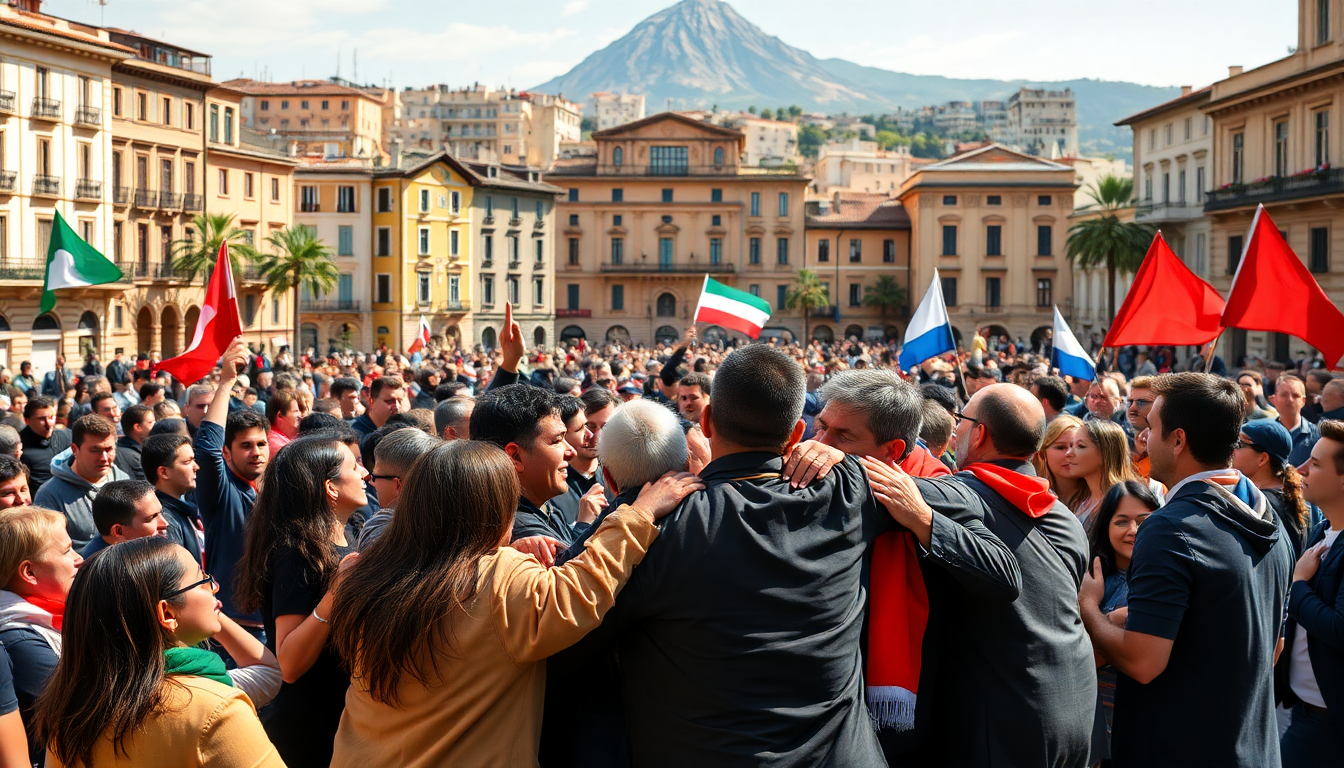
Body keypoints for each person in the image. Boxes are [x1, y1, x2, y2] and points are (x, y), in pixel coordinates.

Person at [556, 345, 946, 767]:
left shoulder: (651, 521)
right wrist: (846, 463)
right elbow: (970, 497)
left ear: (704, 422)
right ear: (798, 433)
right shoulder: (847, 491)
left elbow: (563, 636)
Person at [329, 441, 700, 768]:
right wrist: (638, 514)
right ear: (493, 512)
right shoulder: (499, 579)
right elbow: (581, 592)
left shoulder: (367, 574)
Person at [1079, 372, 1294, 768]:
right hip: (1253, 750)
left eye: (1152, 427)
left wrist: (1091, 611)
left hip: (1176, 750)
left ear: (1178, 440)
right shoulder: (1273, 519)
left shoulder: (1169, 527)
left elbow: (1143, 662)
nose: (1143, 438)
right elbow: (1273, 648)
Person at [34, 537, 284, 768]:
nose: (214, 587)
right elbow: (267, 670)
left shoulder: (68, 712)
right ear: (166, 613)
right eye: (202, 580)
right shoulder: (218, 709)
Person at [234, 433, 368, 768]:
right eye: (354, 466)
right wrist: (335, 594)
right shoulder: (296, 551)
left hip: (347, 716)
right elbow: (290, 664)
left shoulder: (349, 532)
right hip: (312, 729)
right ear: (330, 487)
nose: (365, 473)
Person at [1278, 419, 1344, 766]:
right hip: (1304, 709)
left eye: (1315, 464)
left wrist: (1299, 585)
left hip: (1328, 718)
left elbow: (1338, 629)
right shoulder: (1322, 530)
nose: (1300, 468)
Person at [194, 340, 270, 635]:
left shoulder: (276, 490)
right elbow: (207, 450)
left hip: (275, 623)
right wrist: (225, 382)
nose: (256, 452)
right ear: (228, 453)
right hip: (234, 627)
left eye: (261, 444)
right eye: (246, 446)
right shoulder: (222, 493)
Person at [1085, 480, 1161, 765]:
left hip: (1139, 730)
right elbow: (1073, 657)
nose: (1133, 531)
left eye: (1144, 521)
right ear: (1106, 526)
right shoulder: (1091, 577)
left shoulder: (1161, 583)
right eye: (1121, 522)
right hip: (1089, 727)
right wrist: (1112, 620)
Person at [0, 505, 81, 766]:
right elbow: (86, 714)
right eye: (67, 551)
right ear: (30, 573)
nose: (79, 558)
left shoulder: (53, 616)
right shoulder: (21, 642)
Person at [471, 384, 579, 547]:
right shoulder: (523, 536)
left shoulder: (542, 505)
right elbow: (581, 570)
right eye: (556, 441)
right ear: (515, 456)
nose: (571, 452)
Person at [33, 414, 130, 551]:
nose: (103, 458)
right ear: (74, 450)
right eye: (94, 450)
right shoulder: (50, 495)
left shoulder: (123, 481)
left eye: (109, 450)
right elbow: (48, 549)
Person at [1234, 419, 1316, 558]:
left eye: (1240, 444)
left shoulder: (1261, 506)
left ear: (1262, 459)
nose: (1233, 449)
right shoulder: (1298, 494)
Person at [358, 427, 441, 548]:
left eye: (375, 476)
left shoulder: (380, 532)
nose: (371, 482)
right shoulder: (451, 524)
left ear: (398, 485)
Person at [1059, 418, 1136, 531]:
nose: (1068, 453)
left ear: (1105, 454)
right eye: (1072, 445)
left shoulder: (1123, 501)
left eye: (1081, 446)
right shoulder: (1082, 498)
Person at [140, 433, 203, 566]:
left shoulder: (181, 510)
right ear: (163, 472)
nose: (196, 467)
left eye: (194, 460)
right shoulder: (165, 520)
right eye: (187, 462)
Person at [79, 479, 167, 559]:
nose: (165, 523)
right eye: (151, 518)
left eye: (161, 513)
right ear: (119, 531)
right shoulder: (102, 572)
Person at [18, 397, 71, 493]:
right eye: (41, 419)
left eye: (51, 417)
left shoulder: (66, 436)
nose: (48, 423)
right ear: (27, 420)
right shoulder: (19, 445)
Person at [1274, 374, 1321, 467]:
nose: (1290, 400)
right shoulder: (1264, 434)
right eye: (1284, 395)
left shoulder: (1317, 436)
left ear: (1303, 401)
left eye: (1295, 395)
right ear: (1275, 399)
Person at [112, 404, 155, 481]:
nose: (155, 425)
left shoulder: (142, 449)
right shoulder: (132, 457)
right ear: (137, 427)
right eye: (150, 422)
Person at [1125, 376, 1156, 477]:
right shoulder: (1123, 441)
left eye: (1142, 402)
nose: (1132, 408)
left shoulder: (1168, 451)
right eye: (1130, 402)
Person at [265, 387, 309, 456]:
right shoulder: (277, 444)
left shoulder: (285, 439)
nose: (300, 415)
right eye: (296, 411)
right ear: (280, 415)